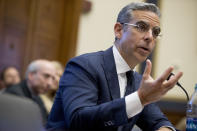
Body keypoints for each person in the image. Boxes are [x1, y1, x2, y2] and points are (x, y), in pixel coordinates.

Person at [47, 2, 183, 131]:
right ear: (119, 30)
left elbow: (158, 121)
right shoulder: (83, 66)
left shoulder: (137, 81)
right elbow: (78, 121)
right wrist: (140, 99)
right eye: (141, 27)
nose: (149, 37)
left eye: (155, 32)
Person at [5, 59, 55, 125]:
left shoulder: (37, 96)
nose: (50, 83)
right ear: (31, 75)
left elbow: (45, 122)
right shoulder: (14, 95)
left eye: (53, 78)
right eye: (46, 76)